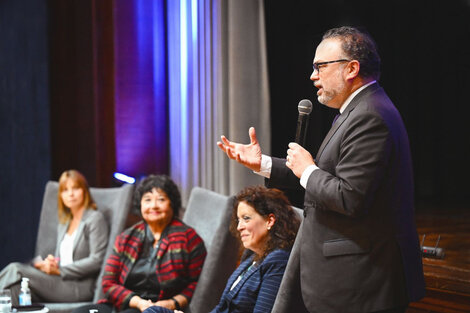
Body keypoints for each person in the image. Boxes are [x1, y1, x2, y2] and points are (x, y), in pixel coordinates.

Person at [217, 26, 425, 313]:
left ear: (351, 68)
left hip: (363, 282)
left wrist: (308, 170)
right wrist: (263, 163)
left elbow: (348, 196)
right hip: (350, 278)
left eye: (320, 66)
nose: (313, 76)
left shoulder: (370, 116)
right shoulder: (355, 111)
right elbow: (320, 176)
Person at [144, 185, 300, 313]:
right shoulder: (253, 255)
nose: (239, 227)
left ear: (269, 221)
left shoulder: (277, 260)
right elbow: (221, 307)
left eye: (246, 218)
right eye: (238, 220)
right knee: (153, 311)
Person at [72, 174, 206, 313]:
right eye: (147, 200)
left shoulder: (189, 239)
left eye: (161, 200)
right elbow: (108, 282)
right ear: (140, 204)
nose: (153, 206)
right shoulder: (126, 237)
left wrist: (172, 303)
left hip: (162, 308)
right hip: (127, 303)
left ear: (172, 203)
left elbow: (197, 285)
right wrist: (138, 302)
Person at [0, 169, 109, 305]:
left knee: (15, 269)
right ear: (61, 196)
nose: (70, 194)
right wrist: (51, 263)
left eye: (75, 188)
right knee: (14, 289)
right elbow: (63, 258)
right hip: (59, 280)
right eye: (65, 190)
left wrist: (59, 270)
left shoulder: (95, 218)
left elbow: (97, 260)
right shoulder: (64, 223)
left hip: (79, 287)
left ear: (84, 191)